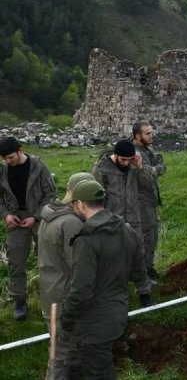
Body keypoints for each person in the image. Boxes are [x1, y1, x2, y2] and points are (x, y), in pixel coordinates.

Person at [60, 180, 147, 379]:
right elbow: (138, 271)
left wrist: (67, 317)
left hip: (93, 325)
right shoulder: (125, 229)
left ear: (80, 204)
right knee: (78, 369)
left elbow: (81, 291)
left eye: (73, 204)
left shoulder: (87, 240)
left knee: (98, 373)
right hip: (117, 313)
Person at [38, 172, 93, 378]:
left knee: (58, 347)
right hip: (65, 295)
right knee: (62, 354)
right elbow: (79, 264)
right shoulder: (71, 224)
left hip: (50, 290)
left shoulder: (49, 215)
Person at [0, 136, 56, 321]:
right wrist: (6, 215)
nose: (7, 161)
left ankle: (50, 298)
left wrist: (36, 216)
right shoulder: (3, 171)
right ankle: (20, 301)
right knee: (16, 261)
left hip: (39, 219)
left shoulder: (39, 167)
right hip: (15, 220)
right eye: (4, 159)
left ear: (20, 150)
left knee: (48, 260)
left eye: (10, 157)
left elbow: (50, 194)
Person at [92, 138, 153, 306]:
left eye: (129, 160)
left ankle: (144, 292)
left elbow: (148, 186)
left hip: (133, 219)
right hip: (111, 221)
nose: (126, 163)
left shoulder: (135, 166)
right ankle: (115, 294)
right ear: (115, 155)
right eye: (123, 159)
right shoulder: (101, 169)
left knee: (138, 255)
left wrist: (140, 167)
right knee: (112, 259)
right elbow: (96, 199)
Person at [132, 120, 166, 281]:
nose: (151, 136)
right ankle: (143, 274)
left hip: (150, 200)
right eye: (147, 133)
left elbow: (161, 164)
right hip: (141, 202)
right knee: (146, 237)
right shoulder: (135, 154)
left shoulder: (147, 149)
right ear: (138, 136)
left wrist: (153, 169)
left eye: (151, 132)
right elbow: (145, 180)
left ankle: (148, 268)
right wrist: (153, 170)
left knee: (152, 236)